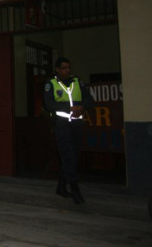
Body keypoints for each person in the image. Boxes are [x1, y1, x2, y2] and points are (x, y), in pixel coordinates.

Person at [43, 57, 93, 204]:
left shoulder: (77, 81)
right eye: (64, 68)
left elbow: (89, 99)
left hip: (77, 123)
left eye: (68, 67)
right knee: (68, 155)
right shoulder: (50, 84)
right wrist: (69, 108)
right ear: (57, 69)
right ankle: (75, 189)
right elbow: (49, 105)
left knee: (74, 155)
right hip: (62, 124)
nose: (67, 70)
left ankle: (61, 186)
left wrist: (82, 107)